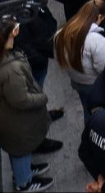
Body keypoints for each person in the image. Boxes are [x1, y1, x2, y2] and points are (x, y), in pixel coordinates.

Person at [0, 15, 54, 192]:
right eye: (14, 29)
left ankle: (24, 171)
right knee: (20, 151)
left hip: (12, 121)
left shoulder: (7, 58)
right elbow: (20, 99)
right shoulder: (10, 69)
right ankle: (23, 182)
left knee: (20, 152)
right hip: (16, 123)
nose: (17, 30)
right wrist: (42, 98)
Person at [1, 0, 58, 90]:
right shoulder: (6, 11)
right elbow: (19, 43)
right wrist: (38, 59)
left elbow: (45, 13)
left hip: (43, 52)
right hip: (32, 64)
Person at [54, 0, 105, 107]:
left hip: (77, 80)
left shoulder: (60, 33)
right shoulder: (97, 41)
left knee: (87, 107)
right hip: (94, 84)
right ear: (100, 17)